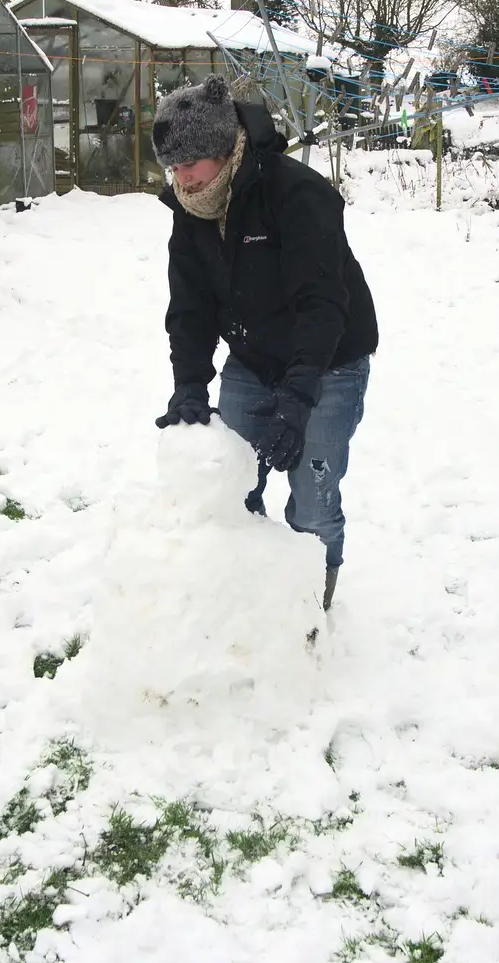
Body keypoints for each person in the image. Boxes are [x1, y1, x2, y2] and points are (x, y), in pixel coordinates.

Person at [151, 74, 378, 611]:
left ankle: (308, 615)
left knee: (312, 506)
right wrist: (189, 386)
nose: (181, 179)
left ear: (225, 147)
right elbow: (190, 308)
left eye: (190, 164)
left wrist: (298, 402)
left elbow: (322, 305)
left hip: (330, 362)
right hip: (252, 359)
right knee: (229, 491)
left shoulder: (297, 194)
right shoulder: (192, 208)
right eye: (172, 167)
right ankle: (245, 599)